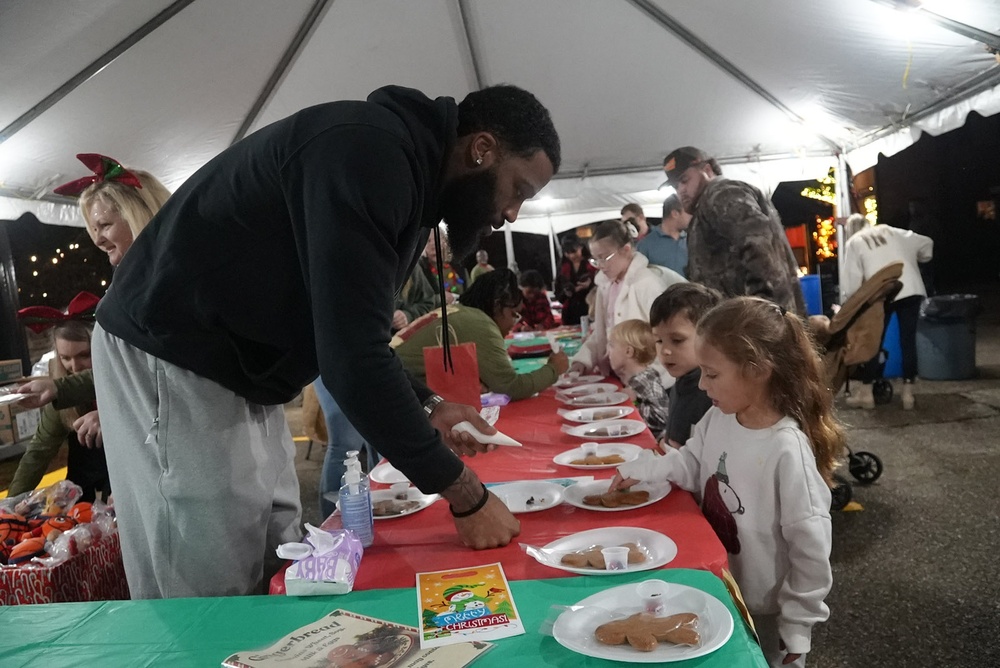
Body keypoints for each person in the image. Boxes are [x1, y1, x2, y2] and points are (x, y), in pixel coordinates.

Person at [47, 85, 558, 599]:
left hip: (241, 367)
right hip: (173, 355)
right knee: (207, 580)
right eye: (519, 190)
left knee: (275, 558)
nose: (512, 212)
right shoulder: (369, 153)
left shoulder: (399, 170)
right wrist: (465, 493)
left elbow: (343, 328)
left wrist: (428, 403)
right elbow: (351, 358)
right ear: (482, 149)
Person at [611, 297, 842, 668]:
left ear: (757, 370)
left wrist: (798, 625)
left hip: (767, 612)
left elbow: (810, 549)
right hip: (723, 588)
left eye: (712, 374)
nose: (702, 385)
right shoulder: (718, 419)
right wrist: (642, 468)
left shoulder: (785, 448)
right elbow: (690, 464)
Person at [16, 155, 171, 451]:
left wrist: (114, 413)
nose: (97, 240)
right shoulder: (137, 289)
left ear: (139, 215)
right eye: (93, 229)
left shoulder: (170, 290)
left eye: (104, 225)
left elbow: (170, 380)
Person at [664, 146, 806, 315]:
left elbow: (760, 247)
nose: (680, 190)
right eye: (675, 186)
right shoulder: (709, 203)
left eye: (684, 180)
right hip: (742, 324)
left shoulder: (722, 194)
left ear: (707, 169)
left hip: (755, 325)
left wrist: (763, 314)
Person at [393, 269, 568, 400]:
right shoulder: (481, 323)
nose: (513, 322)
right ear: (497, 305)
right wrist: (554, 368)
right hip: (392, 392)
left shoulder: (459, 311)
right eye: (514, 314)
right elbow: (511, 387)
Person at [8, 315, 110, 502]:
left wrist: (108, 416)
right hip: (83, 493)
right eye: (65, 358)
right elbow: (39, 451)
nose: (75, 367)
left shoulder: (124, 377)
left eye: (84, 355)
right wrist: (10, 504)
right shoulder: (60, 393)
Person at [841, 214, 933, 410]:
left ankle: (866, 392)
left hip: (883, 293)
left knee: (874, 341)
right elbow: (927, 244)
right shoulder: (893, 231)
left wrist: (849, 307)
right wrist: (920, 257)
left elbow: (851, 286)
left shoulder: (854, 242)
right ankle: (908, 394)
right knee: (908, 341)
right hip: (911, 288)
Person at [569, 219, 680, 376]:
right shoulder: (605, 286)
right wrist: (583, 360)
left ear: (626, 250)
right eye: (595, 259)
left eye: (603, 257)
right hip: (619, 378)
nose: (599, 265)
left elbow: (667, 336)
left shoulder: (647, 284)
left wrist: (649, 379)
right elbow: (602, 333)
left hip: (647, 380)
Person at [649, 283, 722, 448]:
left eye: (677, 340)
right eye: (659, 340)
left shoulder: (712, 394)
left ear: (710, 337)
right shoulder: (682, 380)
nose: (665, 351)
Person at [607, 319, 668, 440]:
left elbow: (662, 417)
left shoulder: (645, 380)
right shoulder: (635, 379)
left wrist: (633, 403)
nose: (608, 352)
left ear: (629, 351)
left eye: (612, 346)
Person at [637, 194, 690, 277]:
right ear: (675, 213)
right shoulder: (645, 245)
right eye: (688, 212)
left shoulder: (691, 242)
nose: (692, 216)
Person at [554, 235, 596, 326]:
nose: (571, 256)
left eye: (574, 252)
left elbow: (602, 285)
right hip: (570, 313)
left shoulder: (591, 263)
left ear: (580, 247)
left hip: (589, 308)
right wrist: (568, 292)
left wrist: (590, 285)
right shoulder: (562, 266)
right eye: (567, 253)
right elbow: (558, 292)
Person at [419, 229, 468, 305]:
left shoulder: (458, 266)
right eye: (428, 241)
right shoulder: (420, 270)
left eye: (437, 239)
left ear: (445, 243)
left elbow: (470, 293)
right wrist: (438, 299)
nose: (433, 245)